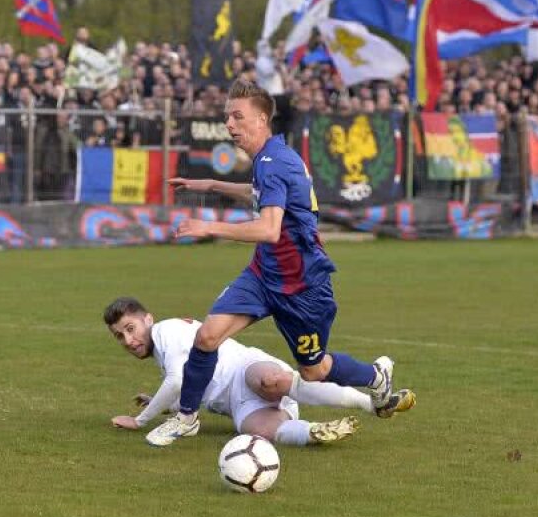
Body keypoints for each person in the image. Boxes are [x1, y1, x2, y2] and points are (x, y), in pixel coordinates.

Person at [148, 79, 412, 447]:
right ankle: (187, 417)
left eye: (237, 117)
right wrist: (208, 185)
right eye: (227, 117)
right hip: (263, 275)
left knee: (315, 369)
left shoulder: (273, 162)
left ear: (261, 119)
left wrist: (208, 226)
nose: (229, 124)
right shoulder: (271, 157)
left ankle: (375, 377)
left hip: (303, 285)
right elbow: (256, 193)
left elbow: (270, 229)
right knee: (207, 336)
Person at [105, 298, 416, 447]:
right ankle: (314, 432)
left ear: (148, 319)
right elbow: (189, 389)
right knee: (262, 432)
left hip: (244, 370)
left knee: (272, 381)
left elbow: (177, 381)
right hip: (238, 406)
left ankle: (368, 402)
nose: (129, 340)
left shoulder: (164, 332)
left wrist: (140, 421)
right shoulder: (163, 350)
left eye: (130, 329)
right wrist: (160, 404)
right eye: (120, 336)